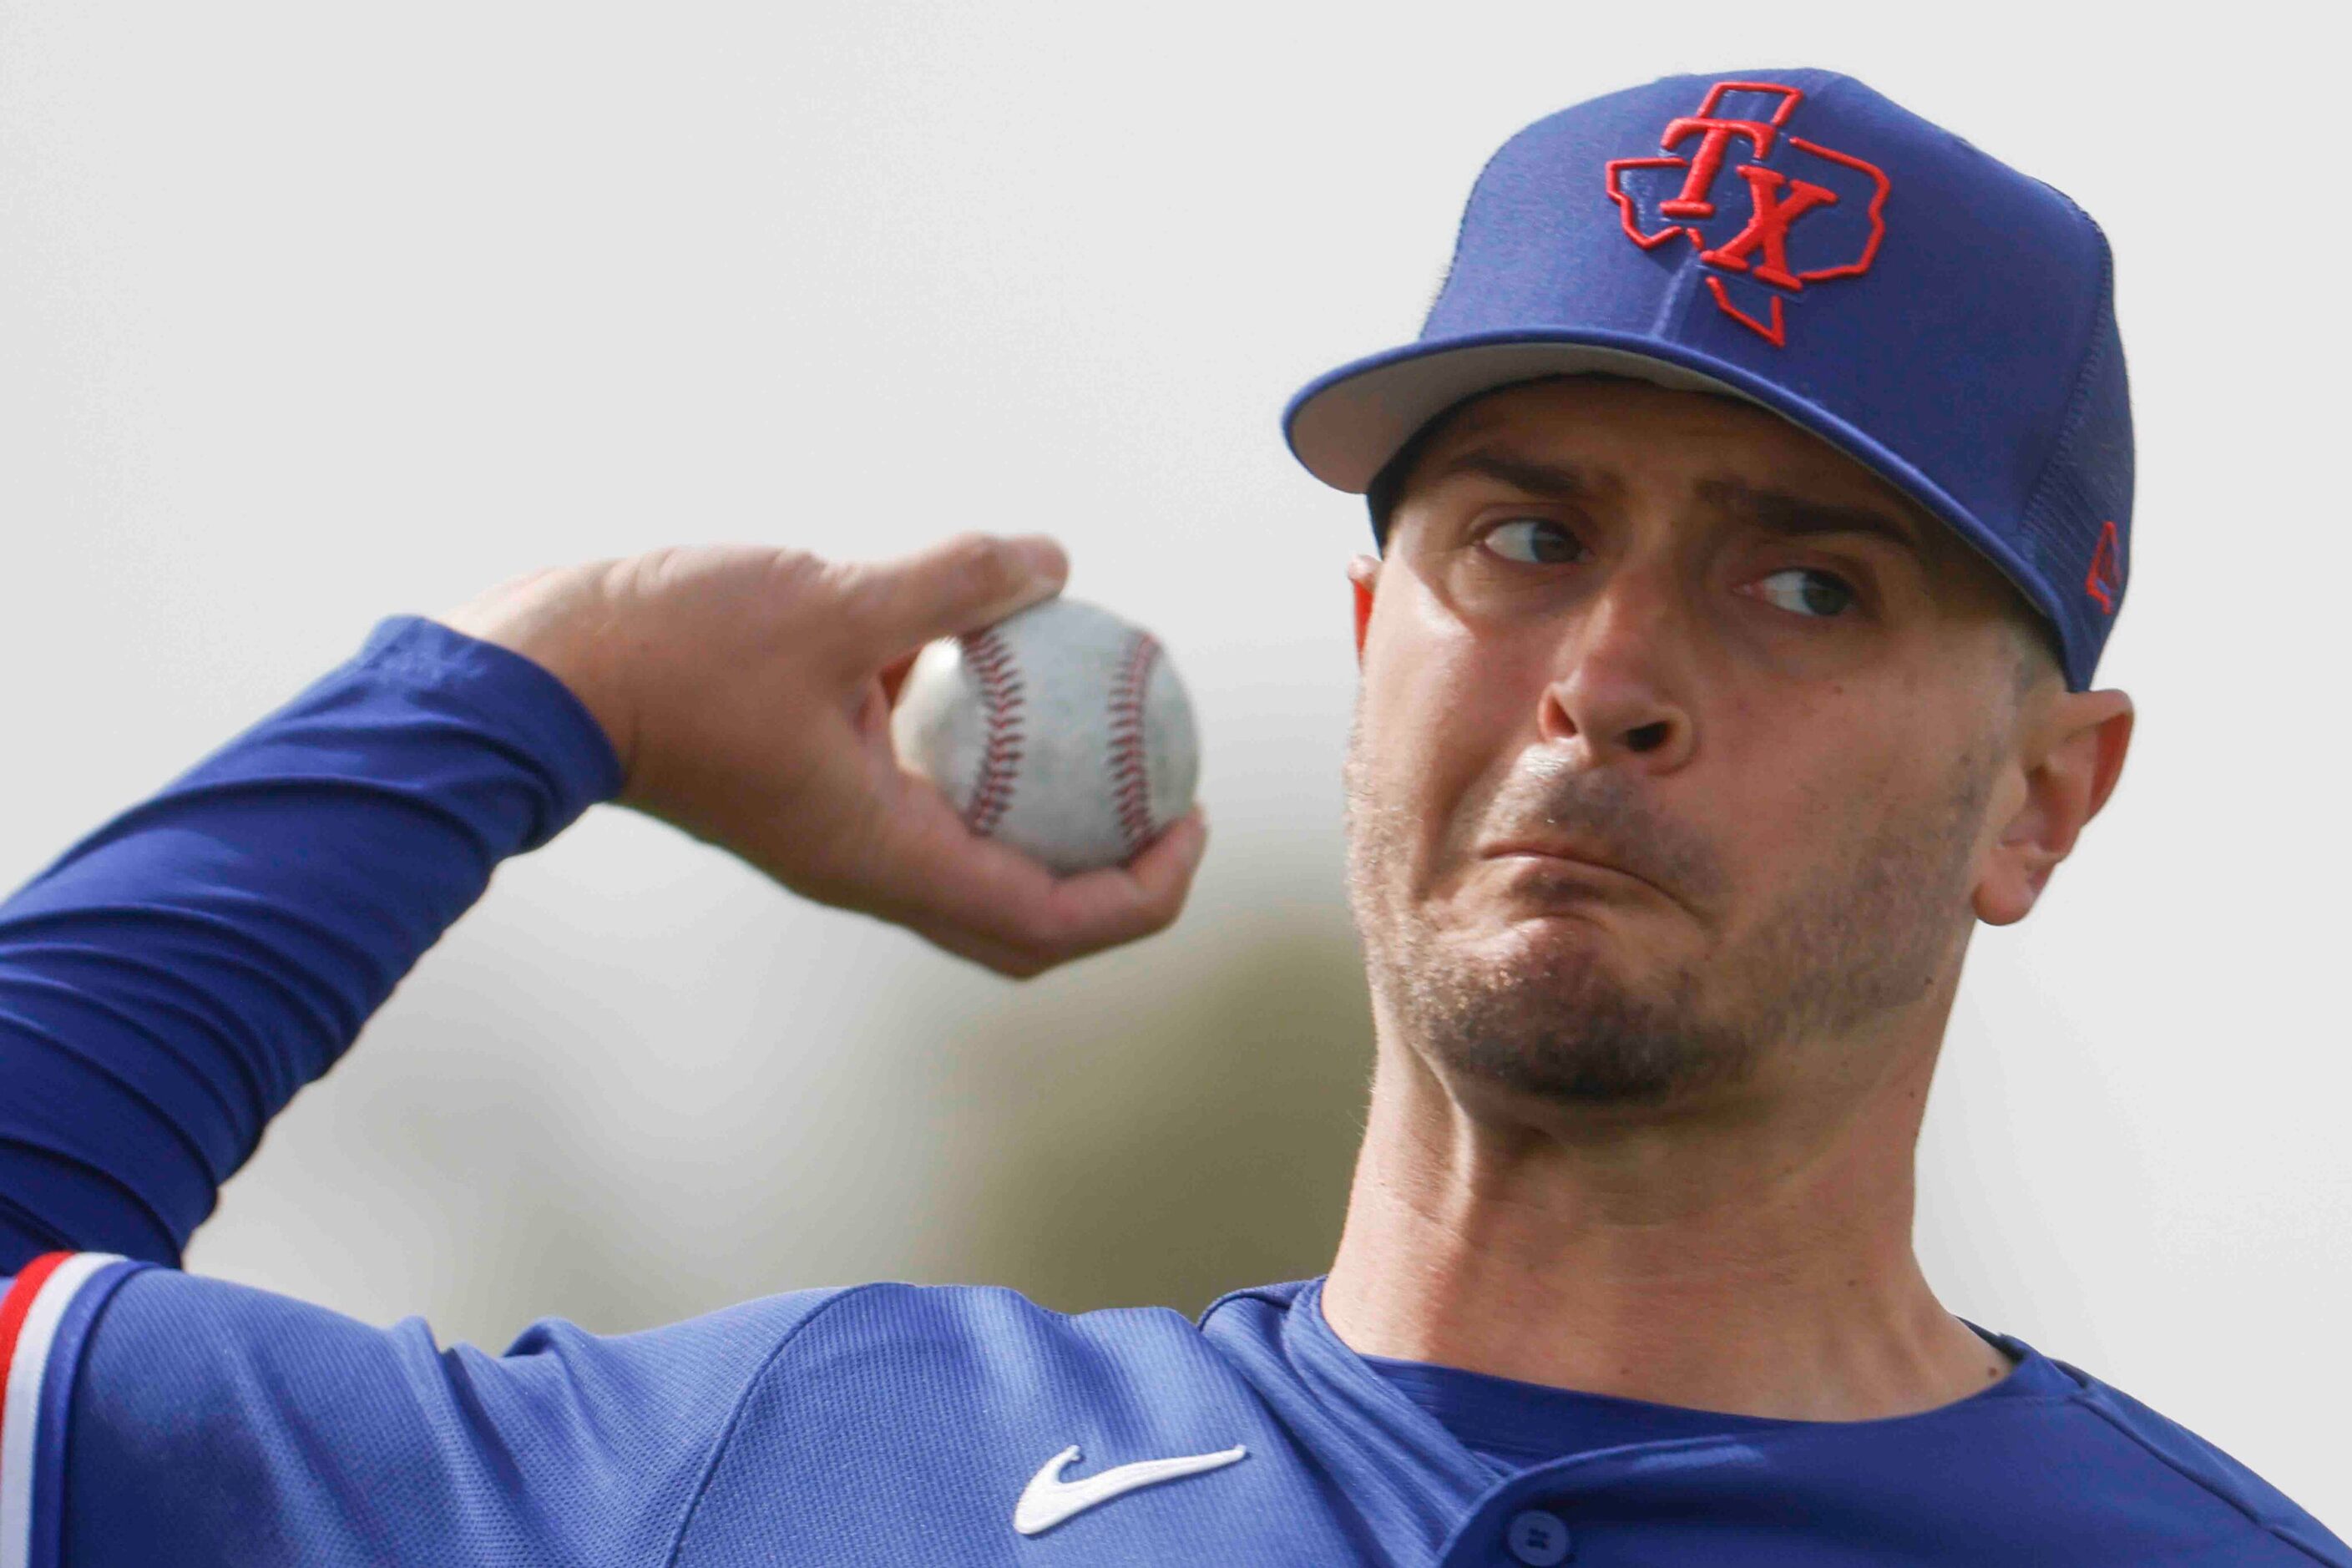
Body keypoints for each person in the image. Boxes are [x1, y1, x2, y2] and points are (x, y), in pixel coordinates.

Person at [0, 64, 2339, 1567]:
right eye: (1521, 537)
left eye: (1805, 583)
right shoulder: (802, 1478)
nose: (1606, 678)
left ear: (2040, 803)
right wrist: (532, 692)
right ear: (1368, 660)